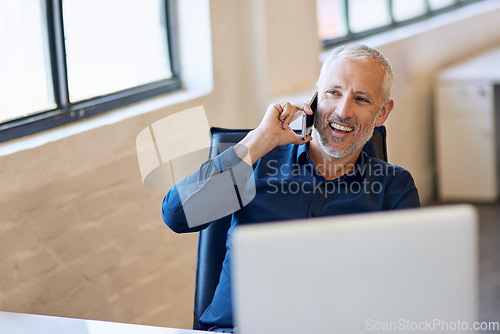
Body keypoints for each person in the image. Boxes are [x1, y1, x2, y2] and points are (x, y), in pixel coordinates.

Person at [162, 43, 420, 332]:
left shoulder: (393, 188)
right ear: (315, 98)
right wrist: (256, 142)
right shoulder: (255, 163)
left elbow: (407, 292)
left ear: (382, 113)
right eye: (333, 92)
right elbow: (177, 215)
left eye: (361, 99)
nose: (343, 110)